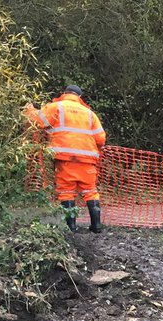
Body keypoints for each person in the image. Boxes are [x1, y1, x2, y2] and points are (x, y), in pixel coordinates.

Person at [25, 86, 107, 233]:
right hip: (87, 160)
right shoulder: (89, 114)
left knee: (66, 192)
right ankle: (97, 226)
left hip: (65, 158)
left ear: (64, 94)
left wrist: (29, 110)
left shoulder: (56, 107)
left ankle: (72, 227)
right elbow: (101, 139)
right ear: (80, 96)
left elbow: (37, 121)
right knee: (90, 192)